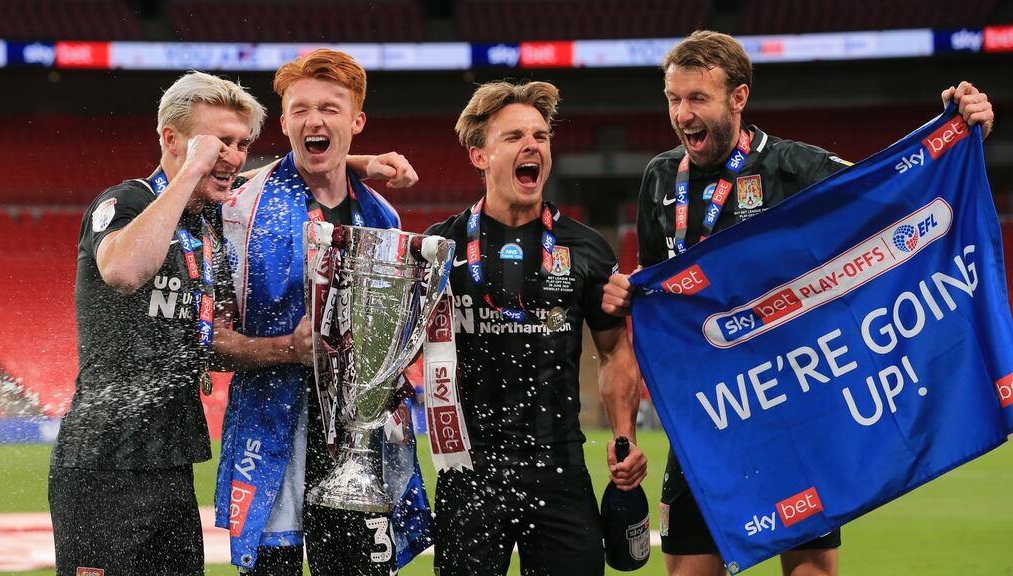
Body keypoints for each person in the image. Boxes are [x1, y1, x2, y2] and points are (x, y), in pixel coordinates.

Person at [601, 30, 996, 576]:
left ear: (738, 98)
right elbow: (654, 289)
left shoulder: (796, 168)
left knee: (811, 572)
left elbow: (893, 196)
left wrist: (961, 133)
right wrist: (629, 291)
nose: (681, 114)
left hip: (794, 409)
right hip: (711, 418)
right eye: (673, 99)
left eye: (696, 98)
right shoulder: (660, 178)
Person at [212, 48, 429, 575]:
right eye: (300, 109)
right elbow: (205, 338)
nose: (314, 120)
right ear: (284, 122)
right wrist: (289, 348)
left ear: (357, 121)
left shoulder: (382, 216)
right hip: (270, 432)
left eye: (330, 109)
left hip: (360, 439)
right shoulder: (239, 207)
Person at [425, 80, 647, 576]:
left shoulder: (586, 248)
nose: (532, 145)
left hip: (559, 467)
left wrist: (625, 436)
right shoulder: (440, 247)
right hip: (468, 470)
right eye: (514, 137)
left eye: (540, 136)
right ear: (480, 156)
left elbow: (614, 351)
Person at [48, 71, 266, 576]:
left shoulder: (207, 224)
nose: (233, 157)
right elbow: (124, 271)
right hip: (103, 467)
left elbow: (271, 177)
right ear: (171, 139)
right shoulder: (126, 201)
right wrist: (192, 171)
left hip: (172, 463)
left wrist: (357, 162)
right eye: (219, 143)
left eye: (241, 145)